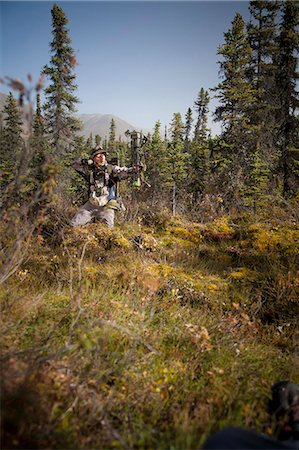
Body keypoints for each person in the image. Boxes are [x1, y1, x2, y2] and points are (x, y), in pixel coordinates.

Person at [70, 146, 143, 228]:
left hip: (107, 205)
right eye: (98, 156)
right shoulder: (89, 169)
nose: (101, 157)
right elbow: (73, 163)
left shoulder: (111, 169)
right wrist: (84, 161)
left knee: (108, 230)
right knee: (74, 225)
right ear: (93, 159)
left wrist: (133, 169)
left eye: (103, 154)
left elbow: (123, 171)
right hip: (91, 203)